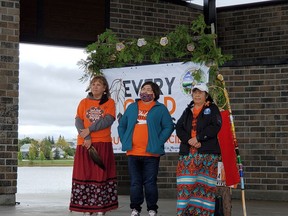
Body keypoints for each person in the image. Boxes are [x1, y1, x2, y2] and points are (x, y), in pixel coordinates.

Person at [118, 81, 174, 216]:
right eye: (143, 88)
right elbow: (122, 125)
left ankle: (152, 209)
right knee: (135, 182)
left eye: (149, 89)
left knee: (150, 182)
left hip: (151, 153)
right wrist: (125, 138)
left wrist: (159, 141)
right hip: (133, 152)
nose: (145, 91)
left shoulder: (160, 108)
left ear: (154, 93)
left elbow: (169, 126)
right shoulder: (132, 107)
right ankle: (135, 208)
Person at [69, 75, 118, 216]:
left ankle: (100, 207)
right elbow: (78, 121)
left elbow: (108, 120)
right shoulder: (83, 102)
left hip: (102, 143)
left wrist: (90, 129)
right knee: (84, 174)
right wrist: (87, 137)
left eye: (98, 84)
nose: (95, 86)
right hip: (84, 143)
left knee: (100, 174)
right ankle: (87, 207)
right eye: (93, 84)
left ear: (104, 88)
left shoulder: (109, 102)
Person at [175, 82, 222, 216]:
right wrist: (189, 140)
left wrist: (199, 138)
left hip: (207, 154)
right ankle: (184, 213)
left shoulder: (212, 108)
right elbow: (179, 127)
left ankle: (204, 213)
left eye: (200, 92)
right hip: (188, 153)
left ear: (206, 95)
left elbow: (216, 126)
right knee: (186, 185)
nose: (197, 95)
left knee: (205, 186)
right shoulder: (188, 110)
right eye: (195, 92)